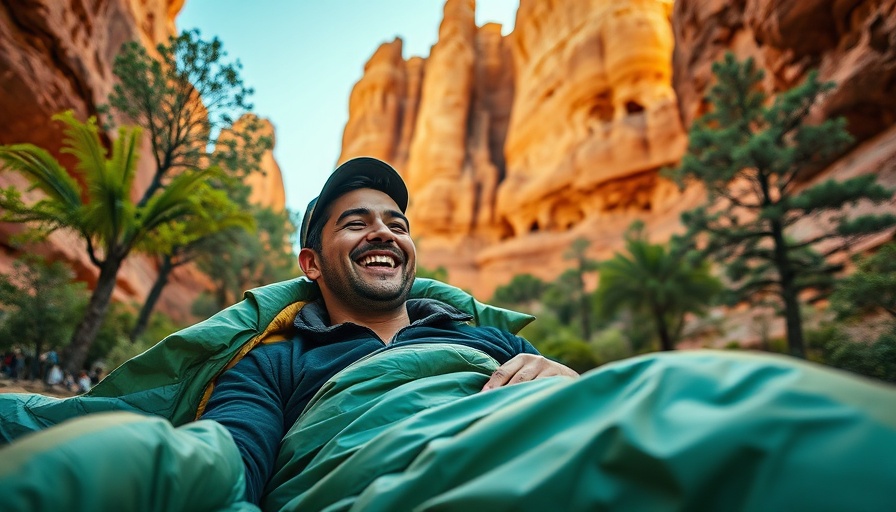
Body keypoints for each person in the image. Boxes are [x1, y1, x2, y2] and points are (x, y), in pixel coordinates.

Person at [199, 157, 579, 504]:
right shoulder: (272, 364)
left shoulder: (495, 341)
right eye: (356, 224)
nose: (384, 234)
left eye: (397, 226)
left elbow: (577, 423)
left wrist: (570, 384)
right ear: (311, 263)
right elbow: (226, 469)